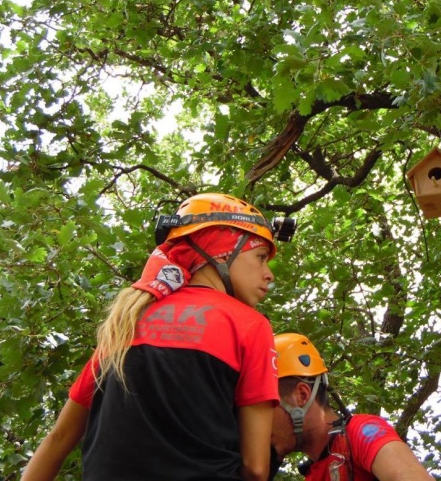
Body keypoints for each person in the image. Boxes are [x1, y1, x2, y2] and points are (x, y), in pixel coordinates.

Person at [22, 193, 294, 481]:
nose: (268, 274)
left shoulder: (127, 320)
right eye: (261, 257)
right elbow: (255, 468)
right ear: (223, 251)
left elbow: (58, 439)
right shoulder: (249, 325)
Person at [270, 333, 435, 481]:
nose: (258, 423)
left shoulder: (361, 432)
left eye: (267, 408)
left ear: (302, 396)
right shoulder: (315, 475)